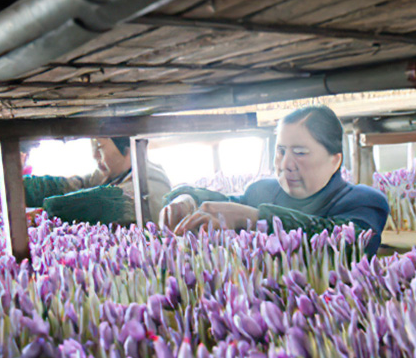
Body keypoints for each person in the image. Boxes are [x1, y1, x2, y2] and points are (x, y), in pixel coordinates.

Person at [160, 105, 389, 256]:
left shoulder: (365, 201)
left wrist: (257, 218)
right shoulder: (263, 192)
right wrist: (187, 199)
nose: (286, 164)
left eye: (300, 152)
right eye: (281, 151)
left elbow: (344, 244)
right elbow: (226, 202)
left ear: (334, 160)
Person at [24, 137, 171, 226]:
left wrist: (48, 212)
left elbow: (109, 203)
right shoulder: (107, 174)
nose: (94, 155)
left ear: (128, 148)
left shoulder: (153, 181)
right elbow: (72, 186)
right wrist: (23, 189)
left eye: (99, 147)